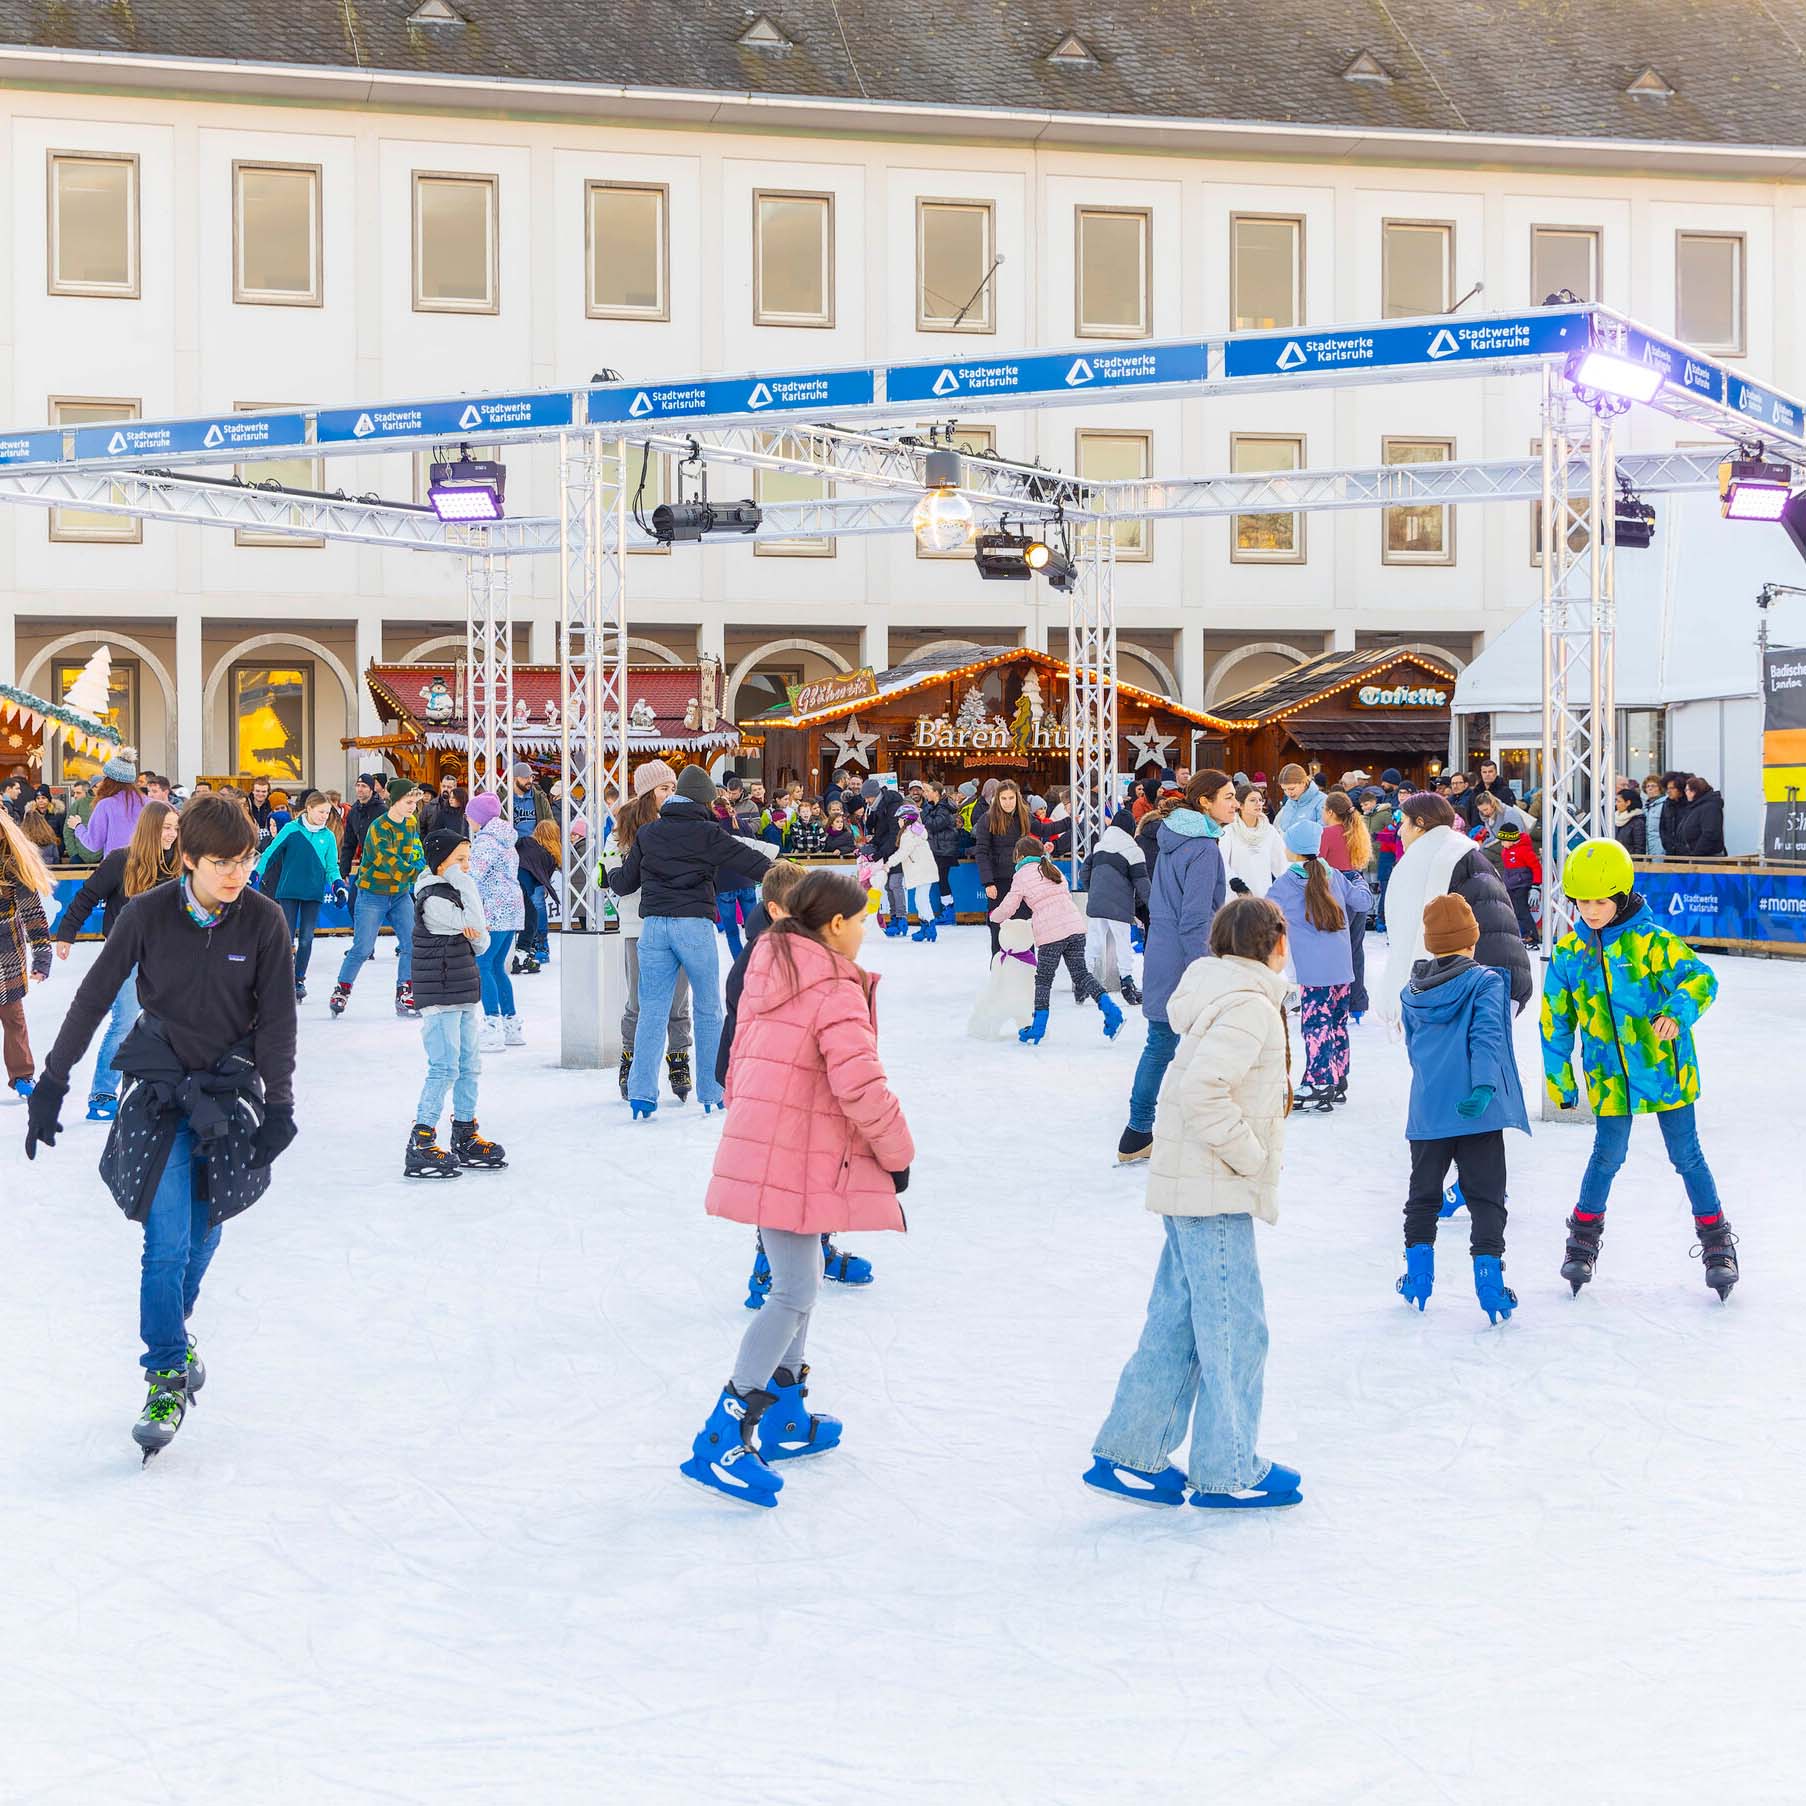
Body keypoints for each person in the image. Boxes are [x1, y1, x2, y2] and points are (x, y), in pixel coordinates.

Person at [25, 794, 298, 1462]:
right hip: (157, 1092)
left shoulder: (262, 921)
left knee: (208, 1226)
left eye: (246, 859)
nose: (238, 873)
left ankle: (175, 1331)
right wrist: (54, 1083)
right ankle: (166, 1376)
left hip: (230, 1098)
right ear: (188, 858)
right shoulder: (146, 915)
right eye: (222, 862)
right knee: (167, 1237)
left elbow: (279, 1020)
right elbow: (93, 999)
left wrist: (282, 1105)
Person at [682, 869, 914, 1509]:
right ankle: (724, 1432)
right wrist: (897, 1154)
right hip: (792, 1151)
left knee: (801, 1281)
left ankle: (783, 1414)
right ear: (834, 926)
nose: (866, 930)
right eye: (861, 919)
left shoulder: (771, 970)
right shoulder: (832, 988)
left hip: (776, 1144)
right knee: (792, 1290)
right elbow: (861, 1084)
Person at [1083, 895, 1301, 1513]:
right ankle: (1227, 1468)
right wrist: (1250, 1156)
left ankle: (1132, 1451)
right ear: (1271, 943)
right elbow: (1206, 1090)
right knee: (1236, 1328)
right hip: (1214, 1187)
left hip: (1194, 1185)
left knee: (1180, 1320)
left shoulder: (1218, 992)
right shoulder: (1250, 1007)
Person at [1540, 837, 1736, 1298]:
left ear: (1621, 896)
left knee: (1686, 1156)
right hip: (1609, 1077)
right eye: (1581, 901)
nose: (1589, 910)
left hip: (1665, 1071)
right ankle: (1581, 1242)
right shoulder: (1570, 954)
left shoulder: (1652, 942)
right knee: (1607, 1156)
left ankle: (1717, 1245)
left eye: (1599, 901)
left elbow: (1701, 978)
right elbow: (1556, 1021)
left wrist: (1677, 1011)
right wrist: (1560, 1079)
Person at [608, 762, 772, 1119]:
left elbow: (624, 883)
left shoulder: (649, 833)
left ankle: (641, 1095)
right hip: (694, 927)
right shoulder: (708, 834)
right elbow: (748, 861)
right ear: (702, 801)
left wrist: (611, 873)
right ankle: (713, 1091)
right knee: (707, 1008)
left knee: (651, 1010)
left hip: (654, 929)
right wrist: (783, 872)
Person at [1395, 893, 1530, 1324]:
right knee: (1486, 1197)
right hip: (1478, 1112)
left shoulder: (1412, 991)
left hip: (1428, 1111)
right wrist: (1485, 1087)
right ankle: (1489, 1279)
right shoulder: (1486, 981)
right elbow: (1487, 1035)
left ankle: (1418, 1275)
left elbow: (1414, 1049)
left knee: (1423, 1195)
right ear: (1472, 941)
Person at [1117, 771, 1237, 1163]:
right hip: (1187, 958)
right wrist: (1205, 972)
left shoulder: (1172, 836)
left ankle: (1137, 1133)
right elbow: (1195, 918)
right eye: (1228, 797)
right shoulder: (1202, 847)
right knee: (1201, 1049)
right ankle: (1200, 1131)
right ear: (1204, 802)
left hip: (1162, 951)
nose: (1234, 803)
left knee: (1160, 1043)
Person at [1377, 793, 1532, 1031]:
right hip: (1498, 981)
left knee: (1454, 1065)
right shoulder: (1466, 854)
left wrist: (1408, 994)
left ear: (1420, 824)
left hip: (1470, 989)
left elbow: (1413, 934)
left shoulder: (1428, 862)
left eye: (1403, 822)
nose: (1399, 831)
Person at [405, 826, 506, 1178]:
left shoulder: (454, 890)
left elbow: (481, 942)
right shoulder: (433, 897)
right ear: (440, 863)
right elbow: (477, 927)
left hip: (462, 989)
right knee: (445, 1066)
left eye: (468, 859)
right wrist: (466, 886)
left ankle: (464, 1130)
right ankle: (421, 1138)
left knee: (468, 1066)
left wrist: (473, 924)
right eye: (459, 860)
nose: (466, 867)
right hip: (441, 993)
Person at [604, 763, 694, 1104]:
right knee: (639, 1001)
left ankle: (679, 1058)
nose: (671, 795)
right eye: (663, 789)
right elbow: (613, 872)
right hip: (639, 925)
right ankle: (631, 1059)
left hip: (679, 920)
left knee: (678, 1000)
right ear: (647, 794)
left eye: (673, 788)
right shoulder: (622, 831)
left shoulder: (683, 825)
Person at [1269, 820, 1371, 1110]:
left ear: (1294, 849)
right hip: (1341, 968)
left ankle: (1318, 1081)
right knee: (1337, 1022)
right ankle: (1338, 1077)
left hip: (1314, 973)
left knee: (1315, 1025)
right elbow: (1363, 902)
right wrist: (1360, 880)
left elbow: (1264, 912)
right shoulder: (1335, 875)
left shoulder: (1287, 882)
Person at [991, 836, 1123, 1045]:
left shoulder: (1022, 875)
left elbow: (1009, 906)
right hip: (1074, 927)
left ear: (1021, 856)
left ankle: (1038, 1027)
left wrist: (994, 917)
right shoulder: (1052, 868)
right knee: (1081, 974)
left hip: (1051, 933)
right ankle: (1111, 1010)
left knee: (1043, 980)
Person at [330, 779, 426, 1018]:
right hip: (373, 893)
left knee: (411, 943)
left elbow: (418, 852)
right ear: (395, 801)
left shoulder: (412, 823)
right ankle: (342, 989)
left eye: (415, 802)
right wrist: (418, 871)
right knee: (363, 947)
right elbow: (390, 864)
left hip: (400, 894)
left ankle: (405, 992)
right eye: (408, 801)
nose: (412, 807)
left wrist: (419, 865)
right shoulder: (378, 828)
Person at [255, 789, 345, 1002]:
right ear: (309, 808)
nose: (325, 816)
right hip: (288, 891)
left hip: (312, 893)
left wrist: (338, 886)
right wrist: (255, 873)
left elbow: (332, 867)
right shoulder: (291, 829)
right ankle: (280, 977)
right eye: (322, 812)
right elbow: (270, 852)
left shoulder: (328, 836)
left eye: (327, 813)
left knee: (306, 939)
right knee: (285, 937)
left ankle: (298, 979)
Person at [0, 807, 56, 1098]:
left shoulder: (11, 863)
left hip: (4, 954)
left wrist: (42, 954)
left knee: (13, 1017)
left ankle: (22, 1075)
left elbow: (33, 913)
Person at [467, 792, 526, 1050]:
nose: (468, 819)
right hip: (511, 909)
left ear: (479, 817)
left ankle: (492, 1025)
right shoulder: (505, 839)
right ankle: (511, 1025)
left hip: (494, 910)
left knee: (483, 964)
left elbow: (473, 874)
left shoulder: (487, 842)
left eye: (470, 815)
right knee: (497, 966)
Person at [1080, 803, 1150, 1004]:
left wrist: (1092, 890)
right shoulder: (1133, 850)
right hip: (1119, 906)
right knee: (1123, 944)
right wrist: (1155, 905)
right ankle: (1127, 984)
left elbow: (1083, 872)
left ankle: (1083, 981)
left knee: (1093, 942)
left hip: (1097, 902)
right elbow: (1142, 883)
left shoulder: (1099, 846)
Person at [1320, 789, 1374, 1019]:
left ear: (1330, 812)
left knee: (1332, 947)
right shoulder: (1356, 831)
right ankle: (1357, 1001)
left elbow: (1317, 861)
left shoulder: (1328, 833)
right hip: (1356, 886)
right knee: (1355, 946)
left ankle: (1333, 998)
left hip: (1334, 887)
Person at [972, 779, 1031, 956]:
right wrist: (988, 882)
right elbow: (981, 852)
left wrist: (1070, 821)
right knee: (998, 927)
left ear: (1017, 798)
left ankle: (1026, 967)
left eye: (1011, 798)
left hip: (1022, 882)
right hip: (998, 883)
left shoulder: (1024, 816)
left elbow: (1044, 829)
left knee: (1023, 925)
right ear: (997, 799)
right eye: (1003, 798)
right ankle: (999, 967)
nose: (1007, 802)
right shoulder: (987, 819)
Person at [884, 800, 942, 943]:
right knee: (920, 899)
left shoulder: (909, 834)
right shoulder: (914, 831)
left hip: (922, 871)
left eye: (900, 819)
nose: (898, 822)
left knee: (922, 900)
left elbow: (903, 853)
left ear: (906, 820)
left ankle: (929, 927)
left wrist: (888, 864)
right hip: (923, 871)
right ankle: (925, 927)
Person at [1222, 782, 1288, 901]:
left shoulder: (1269, 831)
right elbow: (1222, 864)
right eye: (1252, 800)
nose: (1258, 804)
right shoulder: (1229, 831)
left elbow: (1281, 865)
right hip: (1236, 898)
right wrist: (1237, 885)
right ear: (1240, 805)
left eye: (1260, 800)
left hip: (1263, 898)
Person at [74, 757, 146, 860]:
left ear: (109, 780)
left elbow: (94, 843)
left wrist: (78, 827)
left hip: (116, 866)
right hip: (146, 867)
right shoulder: (151, 804)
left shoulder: (105, 805)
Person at [515, 818, 558, 972]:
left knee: (528, 915)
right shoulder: (550, 855)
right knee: (533, 914)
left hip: (513, 884)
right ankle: (529, 949)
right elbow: (543, 878)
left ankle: (523, 950)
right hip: (523, 886)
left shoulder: (525, 842)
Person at [920, 780, 963, 923]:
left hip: (944, 850)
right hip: (939, 848)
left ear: (936, 793)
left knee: (942, 880)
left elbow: (934, 825)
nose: (925, 794)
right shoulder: (936, 806)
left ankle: (949, 912)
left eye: (927, 791)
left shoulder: (943, 809)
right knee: (940, 880)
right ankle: (947, 910)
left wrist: (923, 813)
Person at [1494, 822, 1542, 945]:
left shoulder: (1524, 851)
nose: (1502, 843)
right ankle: (1521, 934)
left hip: (1522, 885)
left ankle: (1531, 936)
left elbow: (1536, 867)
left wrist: (1536, 886)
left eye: (1503, 840)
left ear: (1511, 839)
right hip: (1511, 885)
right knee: (1514, 911)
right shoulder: (1505, 851)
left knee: (1522, 911)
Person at [1675, 775, 1726, 857]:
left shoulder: (1710, 807)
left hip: (1708, 858)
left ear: (1694, 791)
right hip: (1694, 856)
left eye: (1687, 790)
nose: (1685, 793)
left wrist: (1696, 853)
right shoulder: (1693, 807)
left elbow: (1710, 833)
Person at [1272, 763, 1325, 839]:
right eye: (1284, 789)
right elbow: (1278, 828)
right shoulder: (1289, 802)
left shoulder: (1321, 801)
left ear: (1303, 783)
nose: (1288, 793)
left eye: (1292, 789)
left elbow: (1324, 833)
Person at [507, 760, 552, 837]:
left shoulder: (540, 797)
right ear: (514, 779)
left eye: (531, 777)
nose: (530, 780)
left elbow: (550, 821)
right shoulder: (503, 798)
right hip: (513, 846)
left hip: (535, 845)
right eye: (525, 777)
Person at [1612, 784, 1648, 856]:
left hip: (1630, 862)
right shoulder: (1615, 818)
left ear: (1628, 802)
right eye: (1616, 801)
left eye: (1619, 801)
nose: (1616, 804)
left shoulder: (1637, 821)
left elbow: (1639, 848)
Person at [1642, 774, 1669, 859]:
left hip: (1661, 847)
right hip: (1647, 847)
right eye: (1647, 786)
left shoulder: (1665, 804)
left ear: (1660, 788)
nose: (1650, 788)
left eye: (1653, 786)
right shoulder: (1645, 807)